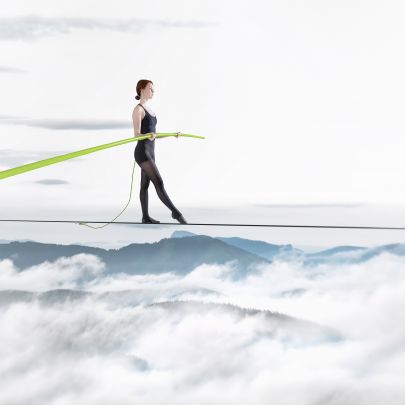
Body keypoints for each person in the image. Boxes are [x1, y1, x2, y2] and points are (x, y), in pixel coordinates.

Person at [132, 79, 187, 224]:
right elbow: (136, 135)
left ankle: (145, 217)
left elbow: (155, 134)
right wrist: (146, 136)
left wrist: (172, 134)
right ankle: (176, 213)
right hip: (142, 152)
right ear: (142, 89)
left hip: (151, 152)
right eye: (150, 88)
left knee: (145, 185)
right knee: (159, 182)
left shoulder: (151, 111)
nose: (153, 91)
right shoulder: (138, 110)